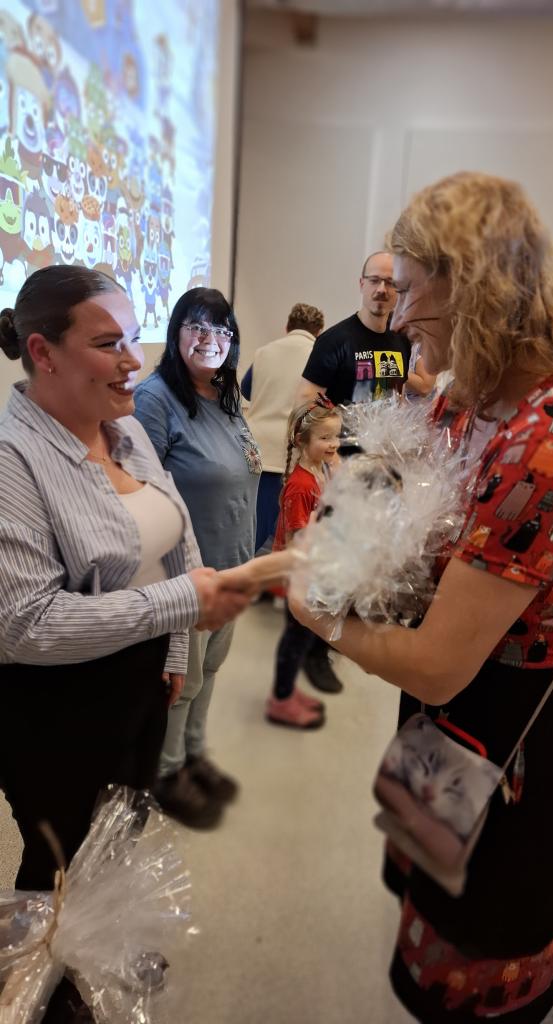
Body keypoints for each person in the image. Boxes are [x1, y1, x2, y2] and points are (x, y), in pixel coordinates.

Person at [289, 172, 553, 1023]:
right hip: (448, 729)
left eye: (411, 289)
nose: (398, 310)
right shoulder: (468, 403)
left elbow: (439, 663)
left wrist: (318, 616)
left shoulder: (547, 439)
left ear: (472, 286)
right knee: (428, 883)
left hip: (507, 738)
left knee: (479, 953)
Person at [0, 266, 250, 1023]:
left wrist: (171, 651)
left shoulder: (128, 430)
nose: (134, 361)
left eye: (133, 339)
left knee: (121, 826)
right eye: (109, 343)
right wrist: (183, 606)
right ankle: (43, 989)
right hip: (57, 701)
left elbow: (176, 538)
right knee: (59, 853)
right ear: (43, 353)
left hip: (141, 678)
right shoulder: (13, 459)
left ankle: (98, 947)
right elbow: (25, 624)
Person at [134, 287, 261, 830]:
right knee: (181, 683)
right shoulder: (155, 398)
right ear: (176, 332)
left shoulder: (225, 397)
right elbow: (139, 493)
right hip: (188, 575)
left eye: (222, 330)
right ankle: (165, 776)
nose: (212, 340)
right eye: (198, 327)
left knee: (209, 672)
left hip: (233, 569)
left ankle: (191, 755)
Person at [266, 398, 342, 729]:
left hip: (315, 569)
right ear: (302, 440)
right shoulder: (300, 486)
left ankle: (288, 690)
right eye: (325, 437)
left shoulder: (320, 469)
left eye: (336, 436)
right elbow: (297, 541)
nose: (334, 444)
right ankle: (281, 699)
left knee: (303, 636)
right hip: (302, 574)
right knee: (295, 639)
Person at [241, 302, 325, 553]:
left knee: (252, 532)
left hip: (254, 448)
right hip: (290, 453)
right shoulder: (318, 354)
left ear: (287, 327)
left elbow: (246, 390)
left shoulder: (263, 352)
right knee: (287, 538)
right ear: (319, 331)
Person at [295, 251, 410, 407]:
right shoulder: (333, 341)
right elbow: (304, 405)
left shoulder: (402, 341)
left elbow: (398, 397)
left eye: (390, 282)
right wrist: (341, 420)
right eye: (374, 280)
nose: (382, 289)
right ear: (362, 284)